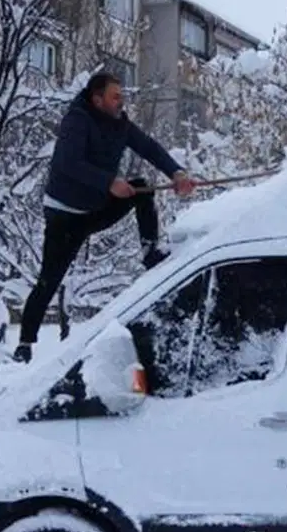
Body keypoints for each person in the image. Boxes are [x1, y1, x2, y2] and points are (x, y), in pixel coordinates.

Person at [13, 71, 195, 363]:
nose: (121, 101)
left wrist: (176, 172)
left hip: (96, 207)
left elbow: (147, 147)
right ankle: (24, 344)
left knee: (141, 189)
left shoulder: (119, 123)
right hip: (65, 216)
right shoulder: (77, 120)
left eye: (122, 96)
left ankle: (150, 253)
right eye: (115, 96)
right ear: (97, 99)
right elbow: (69, 163)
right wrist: (109, 182)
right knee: (50, 278)